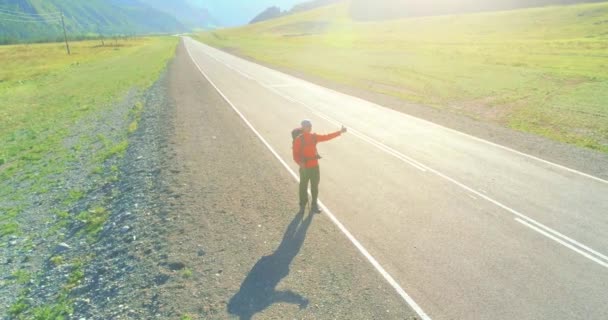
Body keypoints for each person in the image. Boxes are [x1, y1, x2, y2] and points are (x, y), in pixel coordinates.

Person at [292, 119, 347, 213]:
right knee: (303, 187)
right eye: (307, 126)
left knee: (315, 187)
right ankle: (302, 205)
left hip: (314, 167)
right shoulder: (298, 139)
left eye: (310, 126)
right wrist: (300, 163)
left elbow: (327, 137)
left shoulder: (314, 137)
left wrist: (339, 132)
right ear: (303, 128)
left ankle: (314, 205)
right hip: (304, 168)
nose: (309, 128)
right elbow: (295, 154)